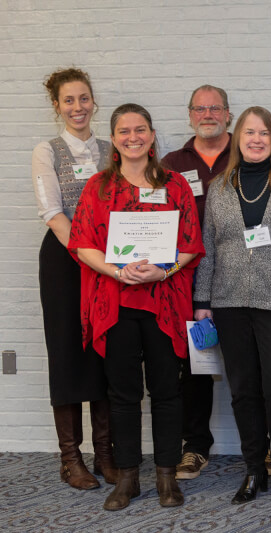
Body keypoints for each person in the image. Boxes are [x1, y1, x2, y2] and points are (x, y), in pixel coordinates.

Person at [69, 103, 204, 511]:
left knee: (166, 391)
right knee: (123, 394)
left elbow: (191, 245)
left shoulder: (176, 184)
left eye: (140, 129)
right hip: (115, 300)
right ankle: (127, 479)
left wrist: (163, 273)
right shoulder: (99, 187)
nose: (133, 137)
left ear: (151, 133)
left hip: (163, 299)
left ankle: (166, 477)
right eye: (124, 131)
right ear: (114, 138)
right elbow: (81, 243)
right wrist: (116, 271)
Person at [193, 106, 271, 513]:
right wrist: (203, 301)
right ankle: (253, 469)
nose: (256, 139)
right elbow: (209, 248)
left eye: (264, 132)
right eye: (249, 132)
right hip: (229, 302)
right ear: (237, 136)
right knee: (243, 391)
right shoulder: (220, 186)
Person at [31, 67, 117, 491]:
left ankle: (105, 454)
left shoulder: (110, 147)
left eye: (84, 98)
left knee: (104, 349)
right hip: (66, 262)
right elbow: (52, 211)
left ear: (93, 102)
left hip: (107, 263)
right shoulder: (47, 150)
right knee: (66, 353)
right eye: (69, 100)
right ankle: (71, 459)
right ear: (56, 106)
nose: (78, 107)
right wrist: (87, 253)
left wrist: (107, 260)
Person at [161, 84, 233, 480]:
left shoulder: (249, 153)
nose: (208, 114)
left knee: (252, 362)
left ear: (228, 114)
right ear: (190, 115)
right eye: (200, 109)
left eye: (215, 108)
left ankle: (265, 442)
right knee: (195, 365)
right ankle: (195, 446)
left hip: (243, 275)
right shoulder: (172, 162)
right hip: (187, 278)